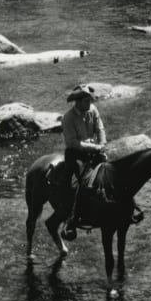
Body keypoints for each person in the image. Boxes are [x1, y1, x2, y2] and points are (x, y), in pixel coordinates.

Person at [58, 83, 106, 239]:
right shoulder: (68, 118)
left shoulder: (92, 110)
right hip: (76, 154)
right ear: (77, 102)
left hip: (95, 150)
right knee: (78, 182)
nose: (89, 104)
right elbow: (72, 143)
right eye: (86, 101)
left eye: (90, 101)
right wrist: (95, 147)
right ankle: (71, 220)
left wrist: (102, 144)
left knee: (111, 171)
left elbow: (100, 128)